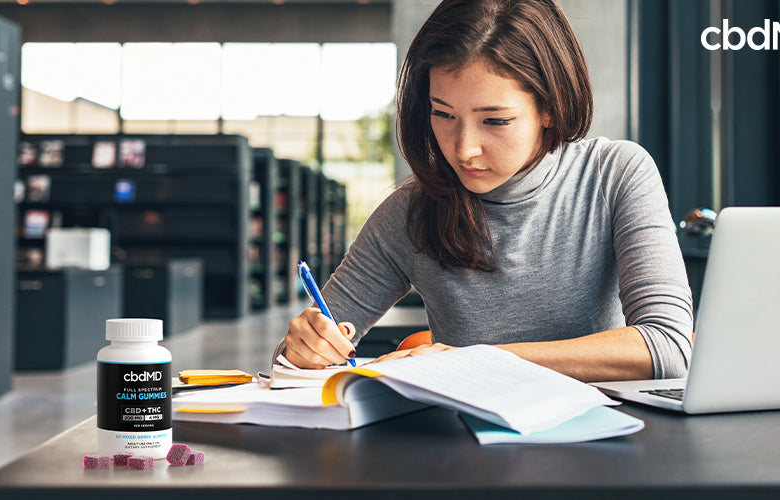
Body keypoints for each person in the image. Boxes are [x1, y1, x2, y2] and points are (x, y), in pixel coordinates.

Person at [275, 0, 693, 382]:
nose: (463, 149)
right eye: (443, 114)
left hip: (606, 444)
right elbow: (287, 366)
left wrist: (470, 360)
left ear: (549, 107)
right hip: (468, 453)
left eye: (494, 121)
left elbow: (668, 347)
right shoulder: (408, 213)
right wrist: (304, 350)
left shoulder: (615, 174)